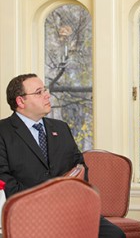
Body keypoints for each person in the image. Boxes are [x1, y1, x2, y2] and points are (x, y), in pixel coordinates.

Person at [0, 73, 126, 238]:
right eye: (39, 92)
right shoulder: (3, 131)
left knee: (115, 235)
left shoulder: (61, 128)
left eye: (45, 89)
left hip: (71, 211)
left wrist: (70, 197)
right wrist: (45, 201)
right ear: (20, 101)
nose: (47, 95)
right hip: (29, 214)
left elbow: (80, 167)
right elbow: (4, 180)